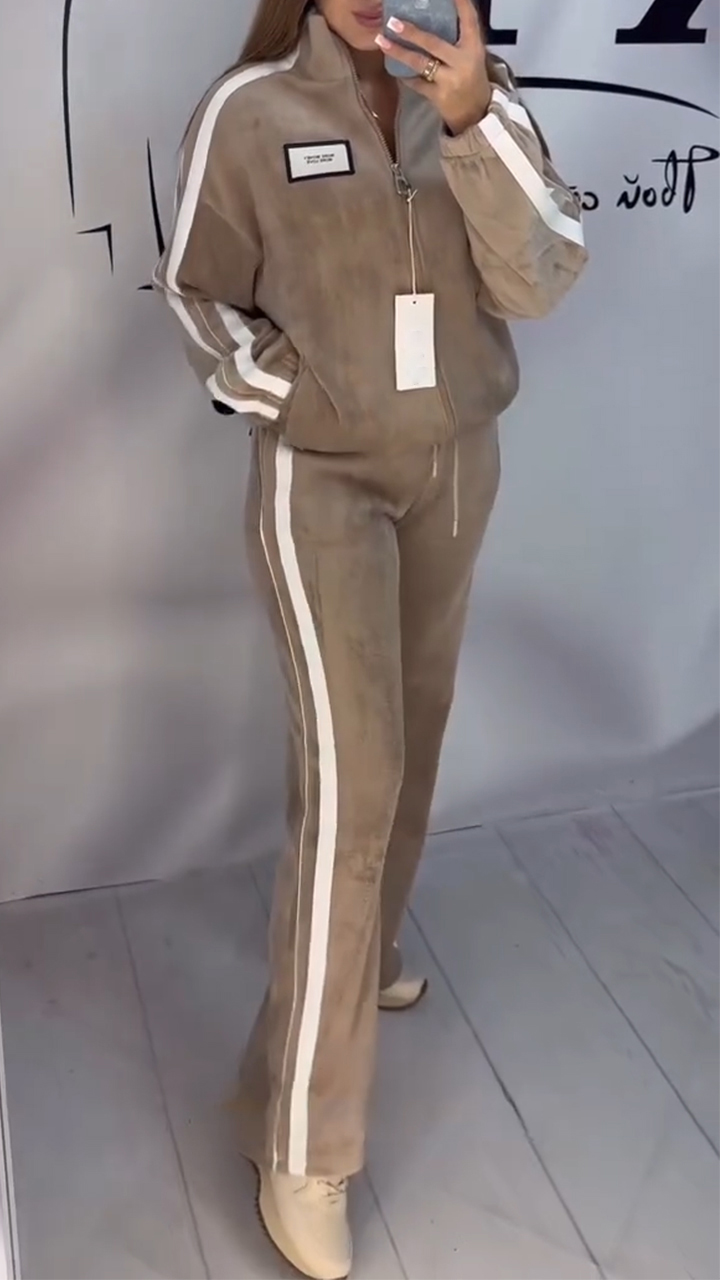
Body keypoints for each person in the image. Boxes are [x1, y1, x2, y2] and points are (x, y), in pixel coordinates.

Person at [154, 0, 587, 1272]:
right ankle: (305, 1138)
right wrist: (295, 393)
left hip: (454, 470)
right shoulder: (251, 111)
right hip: (324, 483)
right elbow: (196, 291)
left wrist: (474, 125)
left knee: (418, 732)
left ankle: (372, 941)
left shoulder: (483, 99)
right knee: (355, 783)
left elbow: (543, 276)